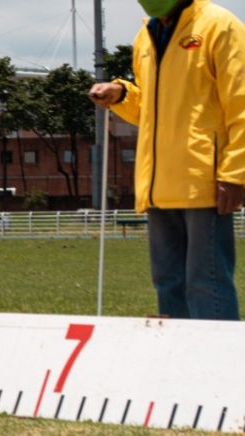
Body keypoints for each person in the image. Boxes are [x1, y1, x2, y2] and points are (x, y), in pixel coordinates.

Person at [89, 0, 244, 320]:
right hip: (158, 186)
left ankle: (217, 367)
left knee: (207, 284)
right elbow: (152, 109)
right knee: (167, 283)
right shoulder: (145, 36)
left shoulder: (220, 26)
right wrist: (122, 94)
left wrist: (236, 172)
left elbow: (241, 106)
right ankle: (177, 365)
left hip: (205, 183)